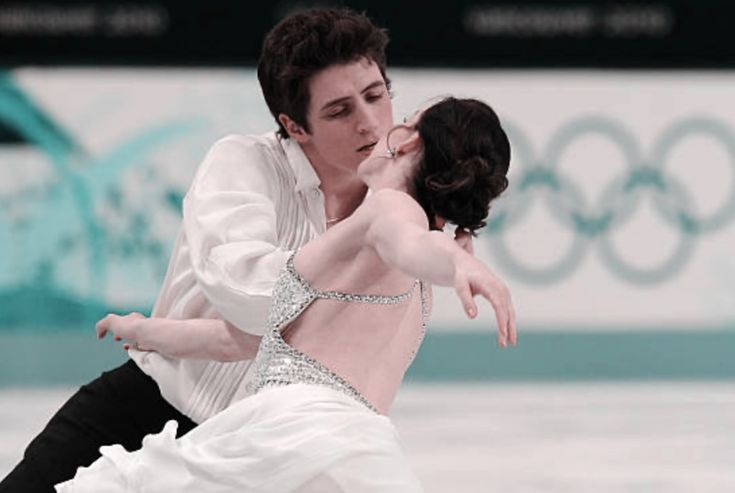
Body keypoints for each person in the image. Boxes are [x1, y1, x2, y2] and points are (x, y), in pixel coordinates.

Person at [0, 8, 400, 492]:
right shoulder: (242, 166)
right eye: (340, 110)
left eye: (375, 96)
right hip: (142, 418)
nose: (369, 123)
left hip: (265, 456)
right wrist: (362, 234)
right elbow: (253, 299)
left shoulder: (401, 211)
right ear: (295, 126)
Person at [55, 96, 516, 492]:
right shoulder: (389, 267)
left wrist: (457, 262)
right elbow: (241, 339)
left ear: (409, 141)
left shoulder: (391, 209)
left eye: (404, 119)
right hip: (360, 454)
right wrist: (144, 329)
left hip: (289, 435)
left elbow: (413, 241)